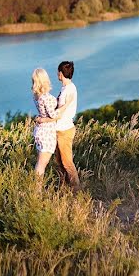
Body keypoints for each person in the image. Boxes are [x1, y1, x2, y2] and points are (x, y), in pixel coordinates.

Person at [37, 61, 80, 190]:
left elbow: (59, 114)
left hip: (65, 130)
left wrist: (43, 120)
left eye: (58, 72)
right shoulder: (66, 88)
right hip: (59, 129)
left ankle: (77, 191)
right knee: (60, 162)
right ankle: (64, 188)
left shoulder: (69, 90)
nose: (57, 74)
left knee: (67, 163)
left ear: (61, 74)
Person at [31, 68, 58, 176]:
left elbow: (44, 114)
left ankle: (37, 189)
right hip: (47, 133)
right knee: (41, 165)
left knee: (40, 163)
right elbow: (53, 115)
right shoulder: (46, 97)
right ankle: (36, 191)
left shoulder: (36, 96)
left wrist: (40, 119)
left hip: (40, 131)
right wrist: (65, 106)